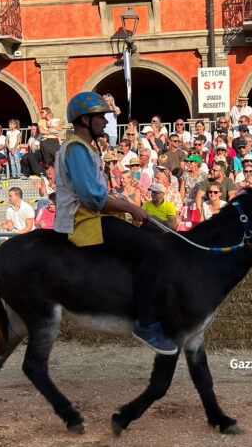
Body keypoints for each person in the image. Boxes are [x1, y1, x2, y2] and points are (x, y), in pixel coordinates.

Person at [53, 91, 177, 355]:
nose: (105, 122)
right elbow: (93, 198)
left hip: (95, 217)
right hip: (84, 222)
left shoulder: (84, 148)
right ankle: (145, 324)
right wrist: (130, 207)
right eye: (100, 116)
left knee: (157, 233)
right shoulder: (76, 149)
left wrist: (127, 206)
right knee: (152, 250)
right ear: (84, 120)